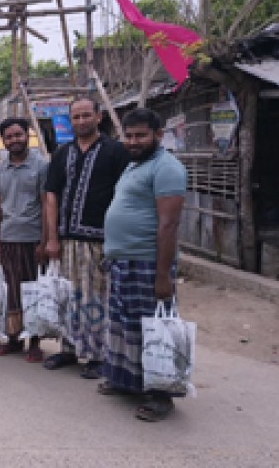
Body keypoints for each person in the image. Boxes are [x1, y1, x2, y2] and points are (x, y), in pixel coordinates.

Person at [100, 108, 187, 422]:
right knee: (125, 326)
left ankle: (160, 395)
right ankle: (126, 380)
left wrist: (163, 276)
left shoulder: (167, 168)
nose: (133, 141)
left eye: (141, 135)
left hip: (148, 263)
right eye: (129, 136)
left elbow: (168, 225)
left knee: (153, 329)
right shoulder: (134, 165)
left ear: (158, 135)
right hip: (123, 261)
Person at [43, 96, 129, 379]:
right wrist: (52, 237)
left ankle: (97, 355)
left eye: (86, 115)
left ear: (98, 117)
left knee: (96, 299)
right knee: (68, 296)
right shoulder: (62, 153)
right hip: (67, 240)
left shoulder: (116, 152)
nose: (81, 121)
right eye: (76, 117)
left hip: (99, 241)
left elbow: (124, 196)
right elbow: (51, 195)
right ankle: (68, 349)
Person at [0, 118, 48, 362]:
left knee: (32, 291)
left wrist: (45, 241)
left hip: (33, 238)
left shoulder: (41, 165)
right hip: (8, 238)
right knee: (11, 291)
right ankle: (13, 339)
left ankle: (34, 342)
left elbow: (46, 204)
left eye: (18, 135)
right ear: (4, 140)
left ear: (27, 136)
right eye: (9, 136)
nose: (14, 140)